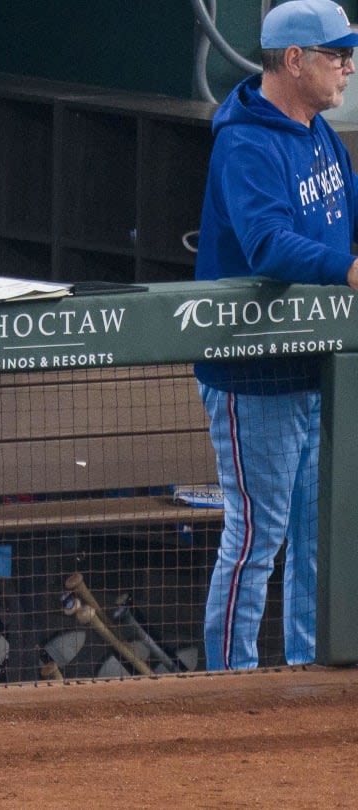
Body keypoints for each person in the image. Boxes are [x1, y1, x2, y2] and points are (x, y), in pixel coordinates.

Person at [194, 0, 358, 671]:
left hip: (317, 368)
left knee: (317, 542)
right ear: (294, 60)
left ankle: (308, 671)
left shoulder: (321, 133)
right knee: (258, 538)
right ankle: (225, 686)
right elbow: (267, 245)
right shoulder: (245, 141)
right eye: (335, 55)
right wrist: (346, 268)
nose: (347, 66)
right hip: (253, 371)